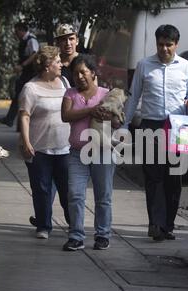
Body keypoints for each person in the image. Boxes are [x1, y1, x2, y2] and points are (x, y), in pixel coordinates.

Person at [123, 24, 188, 241]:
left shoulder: (186, 67)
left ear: (176, 44)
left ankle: (168, 225)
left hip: (178, 128)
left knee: (174, 178)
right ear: (156, 44)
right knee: (153, 177)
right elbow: (134, 96)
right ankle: (155, 224)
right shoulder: (144, 65)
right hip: (151, 127)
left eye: (169, 45)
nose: (164, 48)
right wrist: (124, 125)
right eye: (160, 44)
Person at [61, 54, 118, 251]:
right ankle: (76, 236)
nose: (79, 77)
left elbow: (118, 122)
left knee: (103, 196)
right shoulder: (70, 94)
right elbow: (65, 115)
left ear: (93, 73)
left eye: (83, 72)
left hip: (102, 152)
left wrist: (109, 115)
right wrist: (90, 111)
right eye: (75, 73)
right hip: (77, 153)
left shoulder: (106, 93)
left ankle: (103, 235)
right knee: (75, 194)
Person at [18, 46, 71, 239]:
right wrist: (26, 142)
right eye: (57, 61)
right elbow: (24, 117)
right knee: (42, 189)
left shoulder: (64, 82)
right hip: (39, 148)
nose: (61, 64)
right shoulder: (30, 88)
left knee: (67, 189)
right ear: (47, 66)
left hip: (65, 147)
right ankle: (43, 225)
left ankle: (73, 222)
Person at [0, 22, 39, 127]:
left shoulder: (31, 40)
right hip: (26, 72)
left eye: (17, 31)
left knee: (22, 94)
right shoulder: (24, 41)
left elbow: (35, 54)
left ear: (21, 30)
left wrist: (23, 65)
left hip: (31, 73)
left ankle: (13, 120)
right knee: (19, 94)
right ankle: (14, 121)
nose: (16, 34)